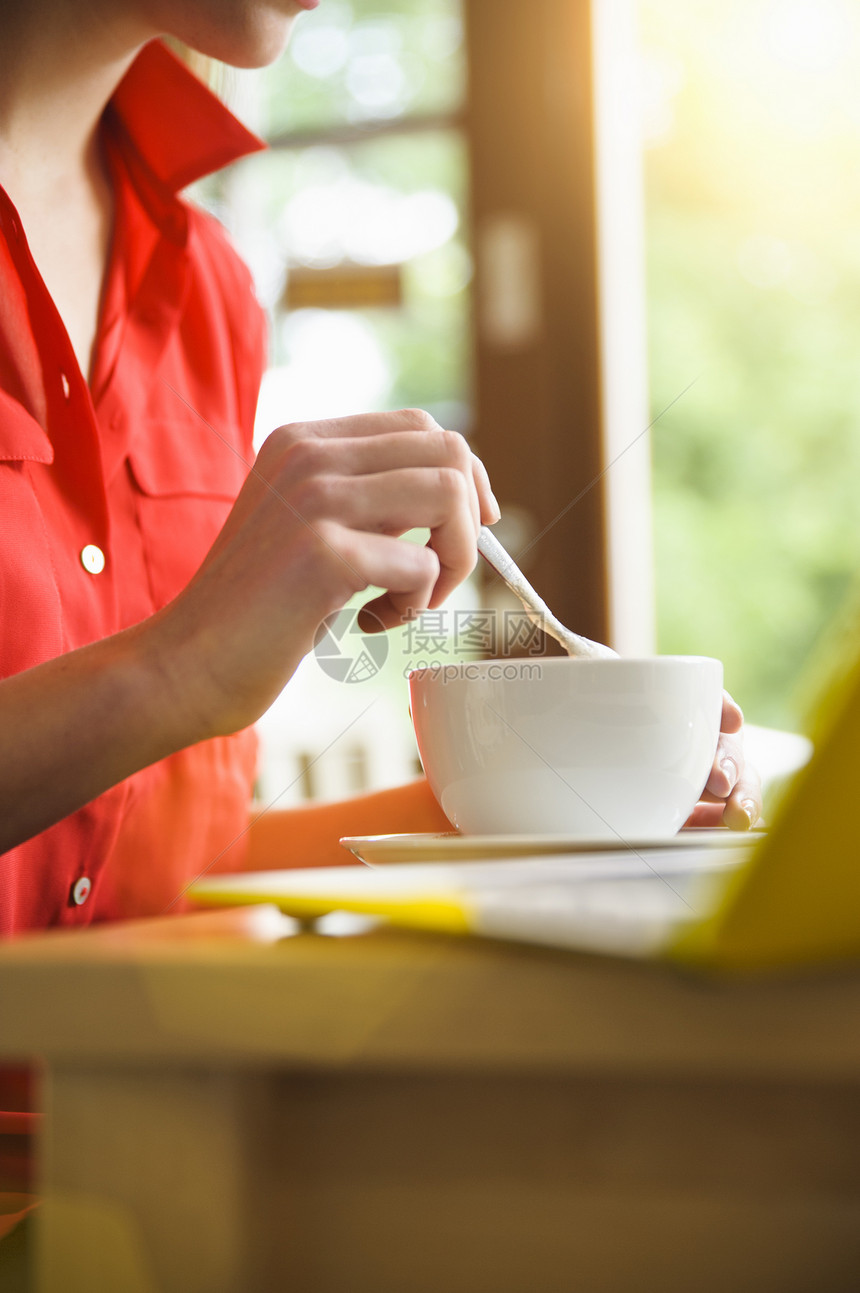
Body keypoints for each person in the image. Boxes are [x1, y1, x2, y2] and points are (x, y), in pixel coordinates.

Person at [0, 0, 760, 1259]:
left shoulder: (207, 286)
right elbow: (154, 704)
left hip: (161, 1150)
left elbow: (136, 863)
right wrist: (175, 668)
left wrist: (524, 814)